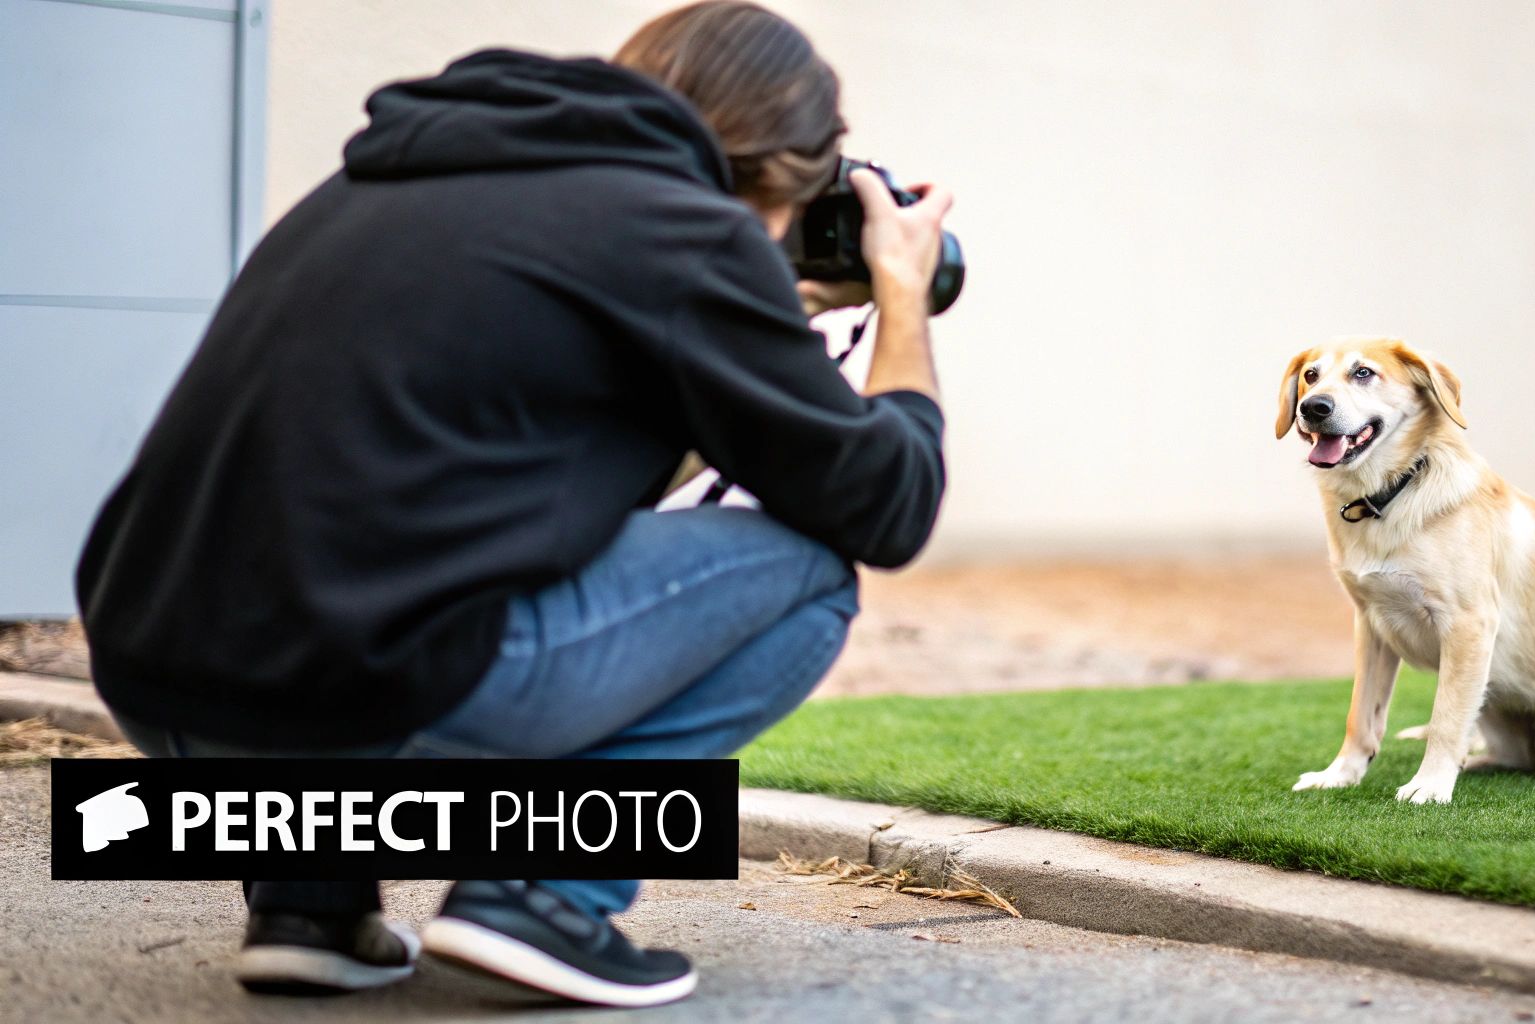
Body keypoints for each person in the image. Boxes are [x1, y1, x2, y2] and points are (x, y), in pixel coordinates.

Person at [74, 1, 951, 1008]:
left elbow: (526, 490)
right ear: (774, 173)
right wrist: (897, 297)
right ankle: (538, 890)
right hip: (368, 690)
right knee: (806, 575)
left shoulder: (387, 176)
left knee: (395, 576)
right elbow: (886, 509)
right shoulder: (677, 225)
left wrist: (739, 339)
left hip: (162, 697)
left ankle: (309, 903)